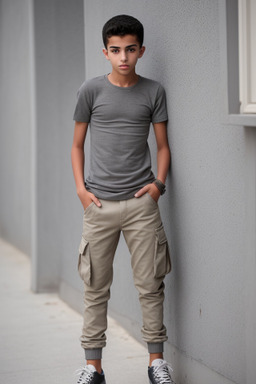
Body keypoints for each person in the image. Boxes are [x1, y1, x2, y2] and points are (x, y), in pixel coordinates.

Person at [71, 14, 174, 384]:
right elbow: (77, 144)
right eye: (115, 50)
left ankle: (156, 363)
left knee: (151, 284)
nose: (123, 57)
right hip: (98, 206)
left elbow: (162, 147)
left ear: (141, 50)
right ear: (105, 52)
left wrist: (157, 187)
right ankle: (93, 367)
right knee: (95, 287)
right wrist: (82, 191)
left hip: (141, 205)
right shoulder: (91, 91)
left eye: (130, 49)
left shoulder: (153, 91)